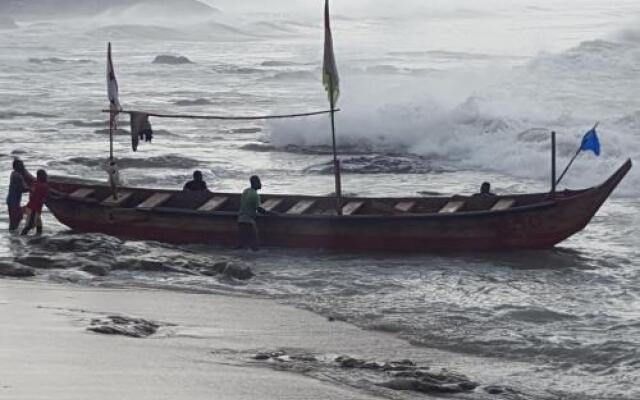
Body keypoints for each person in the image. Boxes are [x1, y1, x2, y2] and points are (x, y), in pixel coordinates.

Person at [237, 175, 267, 251]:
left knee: (242, 245)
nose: (261, 184)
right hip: (249, 222)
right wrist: (271, 213)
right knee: (255, 247)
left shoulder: (246, 191)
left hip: (240, 220)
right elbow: (259, 209)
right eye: (259, 182)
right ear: (254, 183)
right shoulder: (255, 195)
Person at [6, 159, 33, 231]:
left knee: (18, 218)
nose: (23, 167)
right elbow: (23, 188)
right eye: (21, 166)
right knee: (14, 221)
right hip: (13, 202)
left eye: (23, 166)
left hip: (13, 201)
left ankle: (12, 237)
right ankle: (12, 237)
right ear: (16, 167)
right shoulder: (17, 176)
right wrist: (32, 188)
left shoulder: (14, 173)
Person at [21, 169, 49, 236]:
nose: (46, 177)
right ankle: (18, 241)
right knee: (29, 226)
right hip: (34, 209)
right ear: (40, 177)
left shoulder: (35, 183)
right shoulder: (42, 186)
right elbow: (47, 195)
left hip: (32, 208)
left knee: (39, 225)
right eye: (44, 175)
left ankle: (37, 241)